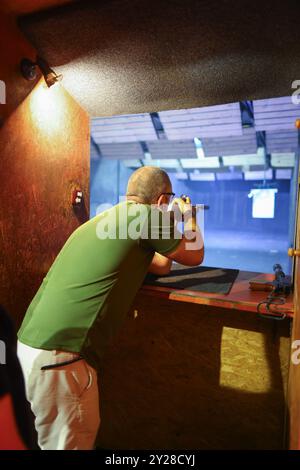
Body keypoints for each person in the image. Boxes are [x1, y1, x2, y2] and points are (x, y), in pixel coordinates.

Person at [17, 166, 204, 450]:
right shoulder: (149, 216)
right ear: (162, 201)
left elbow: (163, 265)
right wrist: (189, 217)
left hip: (29, 348)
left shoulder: (101, 221)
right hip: (62, 358)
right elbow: (196, 254)